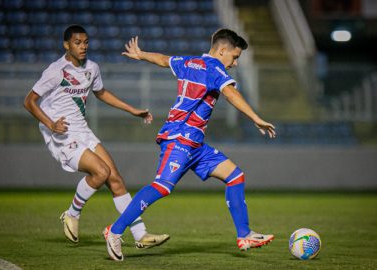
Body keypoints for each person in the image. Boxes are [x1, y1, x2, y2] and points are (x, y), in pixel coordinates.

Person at [103, 29, 276, 261]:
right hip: (180, 138)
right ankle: (114, 231)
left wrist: (141, 54)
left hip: (196, 144)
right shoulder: (215, 69)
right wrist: (256, 118)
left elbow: (164, 60)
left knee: (235, 176)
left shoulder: (189, 62)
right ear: (222, 50)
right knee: (162, 187)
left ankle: (244, 235)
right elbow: (231, 94)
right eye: (234, 57)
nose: (234, 63)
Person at [23, 24, 169, 249]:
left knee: (115, 179)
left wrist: (132, 110)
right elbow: (29, 101)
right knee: (101, 172)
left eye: (86, 42)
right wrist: (51, 124)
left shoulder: (92, 67)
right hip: (62, 134)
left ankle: (141, 234)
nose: (83, 47)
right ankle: (72, 214)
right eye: (77, 43)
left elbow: (101, 93)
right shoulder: (56, 70)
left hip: (83, 130)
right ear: (66, 45)